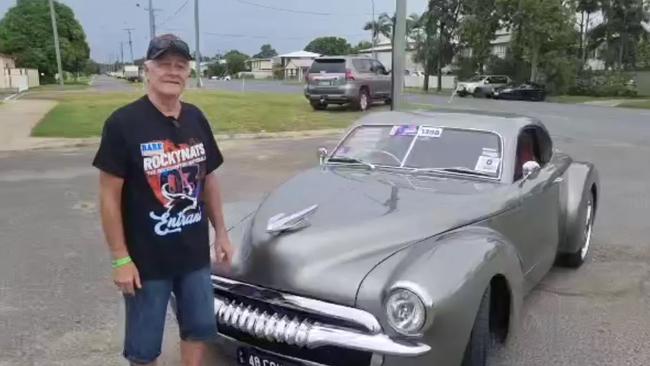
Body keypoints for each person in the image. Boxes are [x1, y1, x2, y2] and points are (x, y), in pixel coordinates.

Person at [92, 33, 234, 366]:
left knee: (198, 329)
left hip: (194, 255)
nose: (173, 71)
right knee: (144, 348)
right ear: (148, 70)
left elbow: (208, 178)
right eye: (164, 64)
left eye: (180, 65)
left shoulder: (196, 118)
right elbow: (109, 195)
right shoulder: (123, 124)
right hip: (146, 262)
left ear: (188, 72)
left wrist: (222, 233)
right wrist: (119, 259)